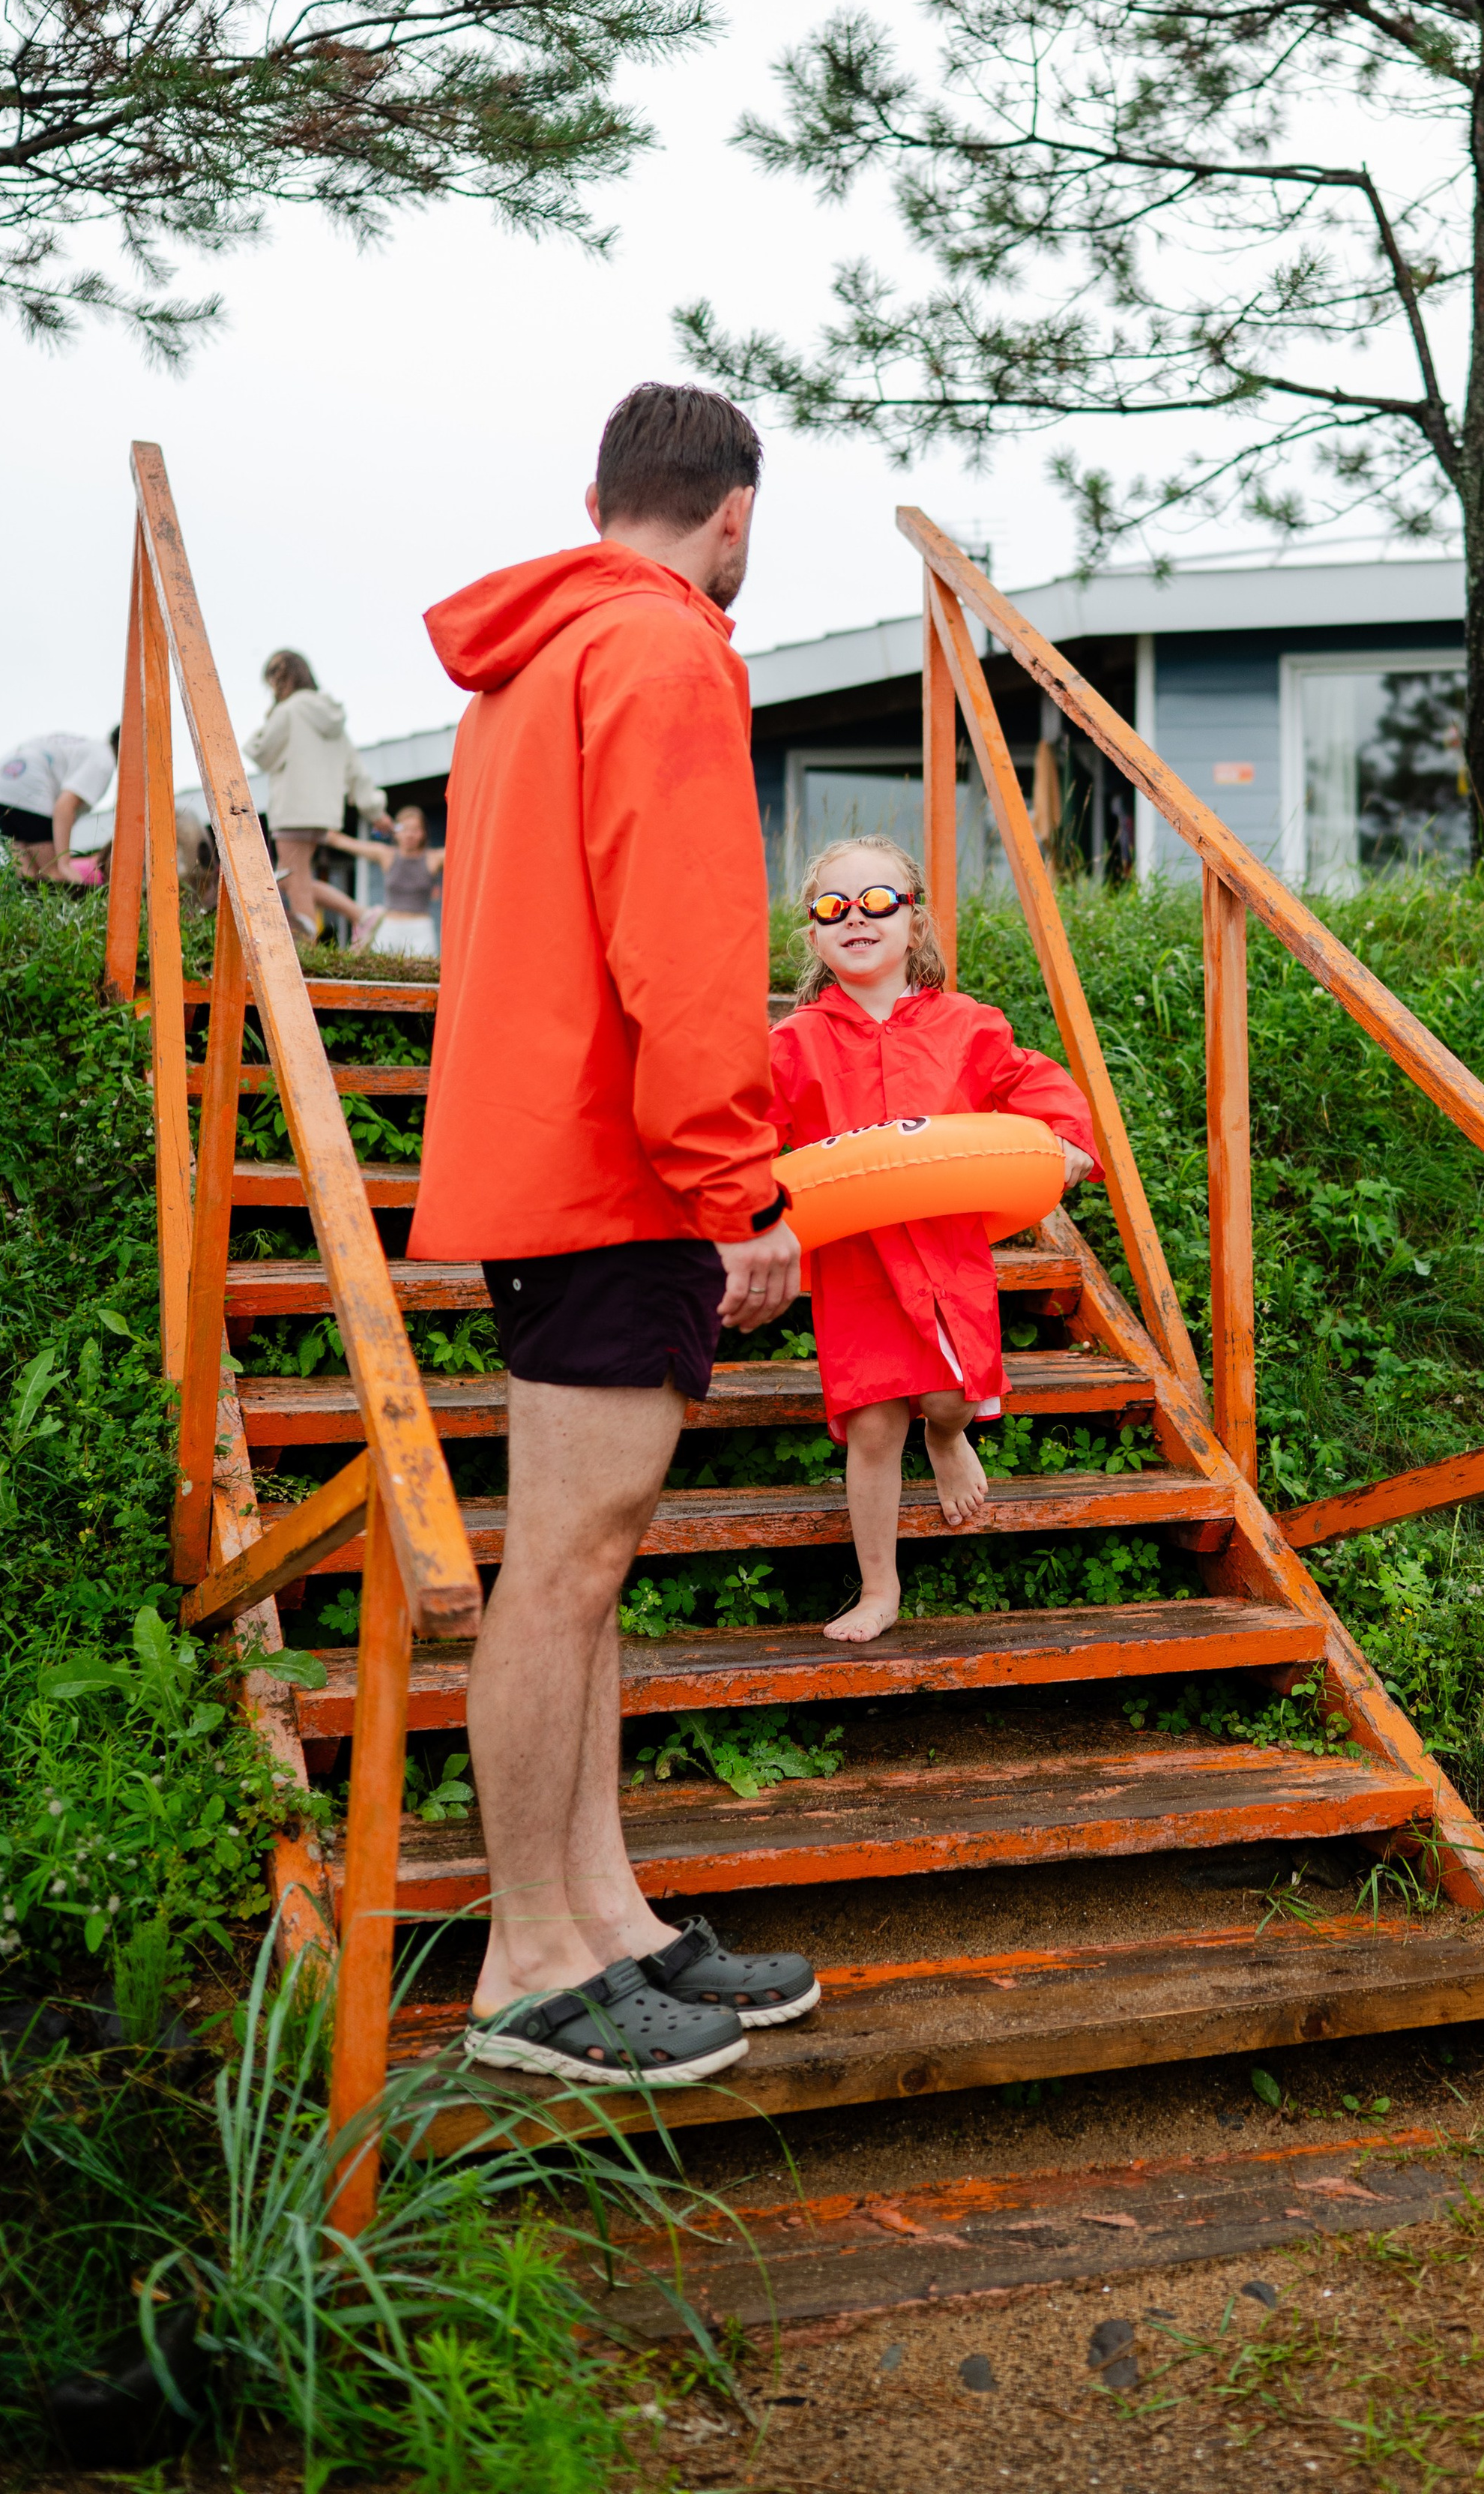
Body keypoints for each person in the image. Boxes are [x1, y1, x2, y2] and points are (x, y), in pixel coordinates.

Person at [408, 382, 815, 2091]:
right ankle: (527, 1964)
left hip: (550, 1151)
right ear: (732, 516)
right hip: (614, 1165)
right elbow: (689, 941)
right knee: (563, 1572)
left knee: (586, 1569)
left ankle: (609, 1915)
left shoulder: (531, 666)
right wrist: (742, 1185)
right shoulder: (664, 652)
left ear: (601, 499)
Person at [768, 835, 1098, 1644]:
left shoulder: (967, 1026)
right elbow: (752, 1132)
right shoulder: (794, 1043)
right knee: (874, 1422)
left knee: (949, 1394)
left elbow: (1034, 1078)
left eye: (879, 900)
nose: (856, 917)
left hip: (947, 1250)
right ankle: (879, 1586)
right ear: (813, 936)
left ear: (912, 922)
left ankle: (948, 1436)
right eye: (833, 906)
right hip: (857, 1260)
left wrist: (1068, 1141)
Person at [244, 651, 390, 942]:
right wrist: (375, 811)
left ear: (284, 676)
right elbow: (355, 769)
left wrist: (270, 716)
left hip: (293, 808)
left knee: (290, 878)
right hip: (323, 813)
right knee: (295, 879)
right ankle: (361, 914)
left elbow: (260, 752)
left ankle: (312, 945)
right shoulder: (332, 717)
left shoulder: (287, 712)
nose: (272, 684)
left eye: (273, 677)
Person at [0, 727, 118, 883]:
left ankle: (31, 906)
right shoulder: (103, 760)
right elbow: (64, 807)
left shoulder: (90, 748)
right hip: (28, 788)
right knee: (54, 875)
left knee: (28, 876)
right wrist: (64, 864)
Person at [327, 803, 444, 957]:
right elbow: (343, 842)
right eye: (405, 829)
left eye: (415, 830)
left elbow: (467, 849)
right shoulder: (386, 855)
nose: (410, 834)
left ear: (423, 833)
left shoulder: (433, 859)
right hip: (390, 927)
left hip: (420, 927)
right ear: (396, 832)